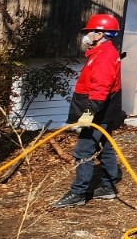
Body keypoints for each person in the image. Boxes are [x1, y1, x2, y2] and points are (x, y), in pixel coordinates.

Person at [51, 14, 124, 209]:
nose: (87, 35)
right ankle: (108, 187)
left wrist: (89, 111)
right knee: (105, 148)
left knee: (83, 150)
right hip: (102, 111)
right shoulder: (100, 53)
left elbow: (101, 86)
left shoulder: (105, 57)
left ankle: (78, 193)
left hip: (98, 111)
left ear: (100, 34)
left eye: (91, 32)